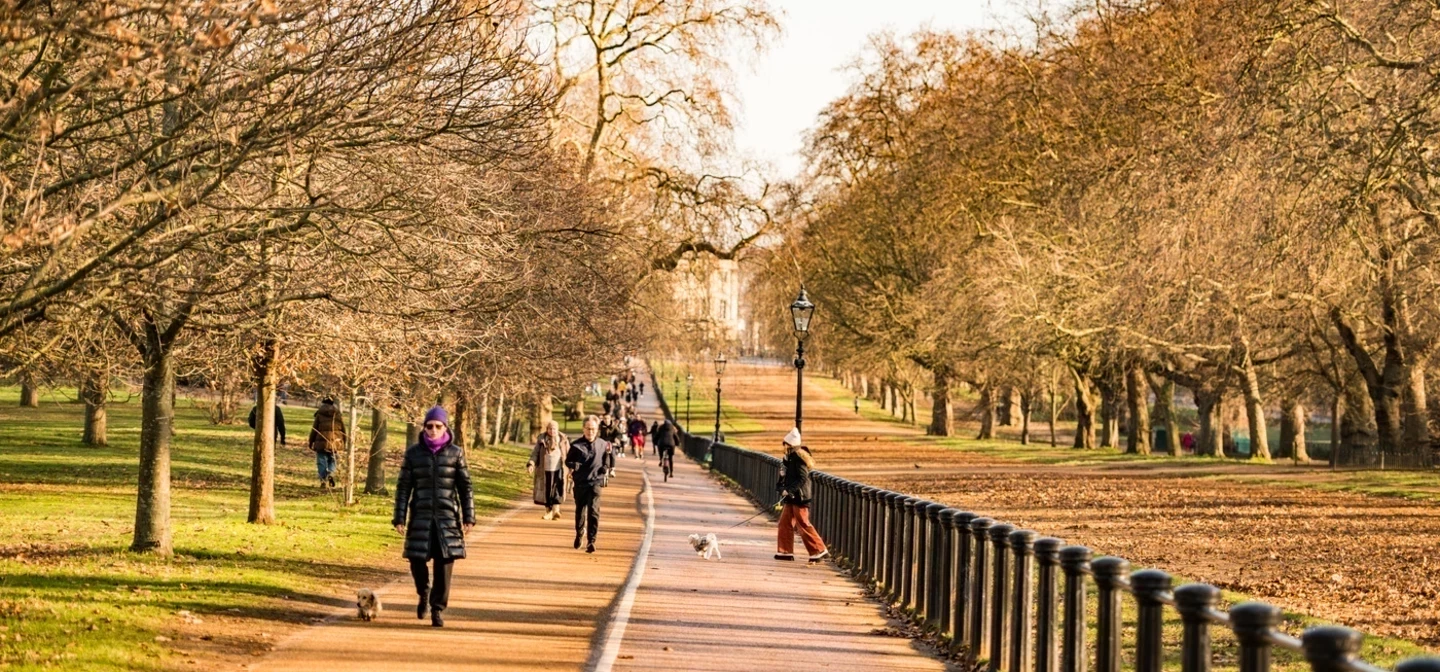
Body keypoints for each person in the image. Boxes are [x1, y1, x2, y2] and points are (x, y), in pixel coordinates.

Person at [392, 406, 475, 628]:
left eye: (438, 426)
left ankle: (437, 608)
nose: (433, 430)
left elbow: (465, 487)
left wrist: (469, 516)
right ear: (424, 427)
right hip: (420, 515)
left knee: (444, 564)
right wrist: (399, 517)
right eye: (429, 426)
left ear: (445, 427)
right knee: (417, 560)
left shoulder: (456, 453)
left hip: (447, 518)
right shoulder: (413, 454)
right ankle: (423, 591)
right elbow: (403, 487)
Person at [774, 428, 828, 564]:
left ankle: (819, 549)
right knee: (784, 523)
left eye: (785, 444)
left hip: (800, 497)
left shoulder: (798, 458)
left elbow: (802, 478)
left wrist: (790, 490)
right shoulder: (789, 459)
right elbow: (788, 477)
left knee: (803, 523)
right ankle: (785, 551)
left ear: (790, 445)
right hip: (792, 497)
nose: (784, 447)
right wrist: (782, 478)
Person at [565, 416, 612, 553]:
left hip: (596, 481)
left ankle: (591, 541)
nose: (590, 432)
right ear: (583, 429)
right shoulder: (576, 445)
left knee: (594, 511)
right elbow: (568, 461)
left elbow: (607, 459)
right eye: (588, 429)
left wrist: (605, 467)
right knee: (580, 510)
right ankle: (580, 533)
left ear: (597, 430)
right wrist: (574, 465)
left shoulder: (603, 444)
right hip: (580, 482)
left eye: (593, 429)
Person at [527, 421, 570, 520]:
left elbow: (569, 453)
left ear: (557, 429)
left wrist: (571, 468)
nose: (552, 431)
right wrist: (531, 464)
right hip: (545, 469)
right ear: (547, 430)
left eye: (554, 428)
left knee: (557, 489)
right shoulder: (542, 439)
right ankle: (548, 511)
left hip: (559, 469)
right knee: (547, 491)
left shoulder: (563, 439)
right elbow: (535, 453)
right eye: (550, 429)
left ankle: (556, 510)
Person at [308, 398, 346, 489]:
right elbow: (343, 429)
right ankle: (331, 473)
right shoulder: (338, 415)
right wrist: (344, 441)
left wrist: (311, 441)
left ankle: (323, 480)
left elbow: (315, 429)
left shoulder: (319, 414)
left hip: (321, 442)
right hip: (335, 442)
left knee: (321, 461)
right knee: (333, 460)